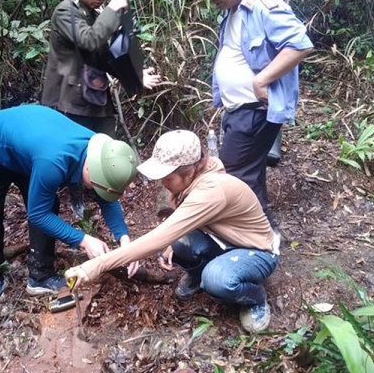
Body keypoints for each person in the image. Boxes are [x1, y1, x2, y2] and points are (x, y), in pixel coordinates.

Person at [66, 130, 280, 333]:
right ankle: (198, 275)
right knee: (177, 245)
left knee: (216, 279)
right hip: (224, 240)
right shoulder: (197, 175)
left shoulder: (212, 190)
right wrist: (171, 243)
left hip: (257, 251)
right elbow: (177, 226)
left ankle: (256, 298)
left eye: (167, 178)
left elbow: (158, 238)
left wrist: (97, 265)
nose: (163, 183)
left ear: (188, 172)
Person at [0, 104, 140, 302]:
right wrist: (83, 240)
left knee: (48, 204)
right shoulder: (54, 162)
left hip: (26, 152)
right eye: (96, 186)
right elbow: (37, 214)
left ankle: (40, 275)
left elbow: (107, 195)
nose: (96, 192)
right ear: (91, 170)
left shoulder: (101, 152)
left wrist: (124, 241)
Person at [192, 0, 314, 217]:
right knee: (250, 177)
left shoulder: (263, 5)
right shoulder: (234, 10)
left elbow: (299, 45)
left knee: (235, 180)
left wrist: (262, 80)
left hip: (254, 112)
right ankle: (265, 239)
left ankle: (252, 245)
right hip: (240, 111)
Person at [41, 0, 160, 137]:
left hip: (95, 100)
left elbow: (106, 58)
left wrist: (135, 75)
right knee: (77, 157)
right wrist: (111, 10)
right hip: (70, 104)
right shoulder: (66, 11)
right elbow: (89, 40)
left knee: (107, 155)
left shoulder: (94, 15)